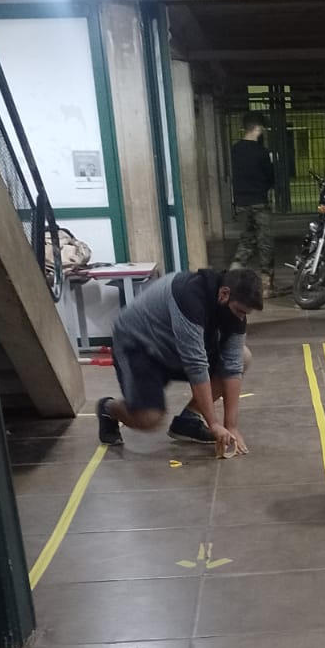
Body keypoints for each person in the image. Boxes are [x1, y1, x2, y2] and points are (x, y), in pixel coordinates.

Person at [96, 267, 263, 455]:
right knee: (149, 418)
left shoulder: (234, 310)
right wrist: (214, 424)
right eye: (239, 310)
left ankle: (188, 421)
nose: (241, 317)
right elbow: (196, 366)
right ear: (224, 294)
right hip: (140, 346)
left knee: (243, 357)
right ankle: (108, 408)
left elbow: (232, 365)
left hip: (174, 347)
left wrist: (231, 426)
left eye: (245, 313)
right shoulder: (189, 297)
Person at [230, 115, 276, 296]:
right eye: (261, 128)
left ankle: (233, 276)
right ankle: (266, 284)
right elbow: (270, 177)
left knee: (246, 239)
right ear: (257, 128)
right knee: (265, 241)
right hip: (259, 201)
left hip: (241, 202)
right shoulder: (262, 152)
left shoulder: (235, 150)